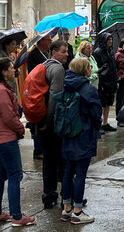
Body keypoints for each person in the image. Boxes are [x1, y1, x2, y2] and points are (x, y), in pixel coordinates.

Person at [0, 58, 36, 227]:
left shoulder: (0, 88)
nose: (15, 71)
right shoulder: (0, 90)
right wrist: (20, 128)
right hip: (5, 138)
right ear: (4, 72)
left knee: (1, 174)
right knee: (15, 175)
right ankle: (16, 216)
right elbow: (8, 116)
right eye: (12, 68)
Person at [60, 58, 102, 225]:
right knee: (81, 173)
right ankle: (78, 211)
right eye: (89, 66)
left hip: (67, 133)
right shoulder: (88, 88)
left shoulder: (66, 85)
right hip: (84, 134)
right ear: (84, 70)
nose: (91, 68)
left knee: (68, 172)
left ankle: (66, 208)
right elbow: (96, 114)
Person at [37, 40, 69, 209]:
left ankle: (48, 196)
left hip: (43, 120)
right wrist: (49, 121)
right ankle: (65, 196)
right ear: (54, 52)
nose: (66, 54)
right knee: (61, 160)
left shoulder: (44, 65)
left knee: (49, 160)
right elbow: (55, 97)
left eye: (67, 51)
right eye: (63, 51)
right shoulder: (57, 69)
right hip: (52, 122)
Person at [92, 32, 117, 133]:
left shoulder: (110, 51)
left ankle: (105, 123)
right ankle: (99, 123)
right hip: (102, 81)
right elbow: (97, 68)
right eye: (108, 40)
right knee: (101, 103)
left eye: (111, 40)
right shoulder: (98, 52)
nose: (110, 42)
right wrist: (100, 84)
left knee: (107, 103)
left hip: (110, 80)